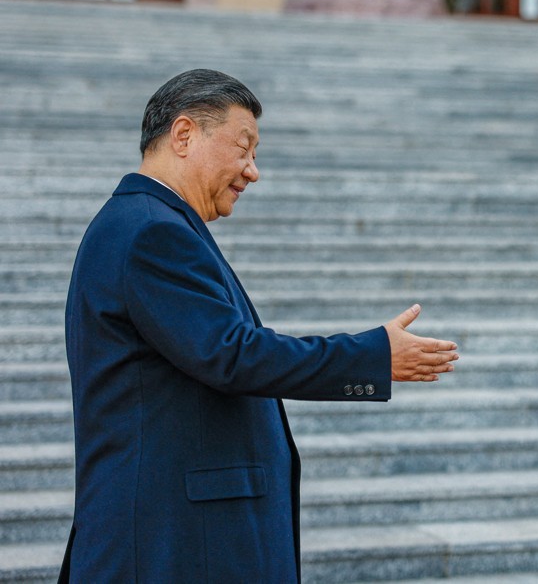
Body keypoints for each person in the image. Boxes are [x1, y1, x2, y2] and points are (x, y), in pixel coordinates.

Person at [60, 69, 460, 582]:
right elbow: (233, 355)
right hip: (172, 545)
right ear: (184, 136)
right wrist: (372, 356)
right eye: (243, 148)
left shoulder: (149, 224)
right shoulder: (150, 233)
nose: (253, 171)